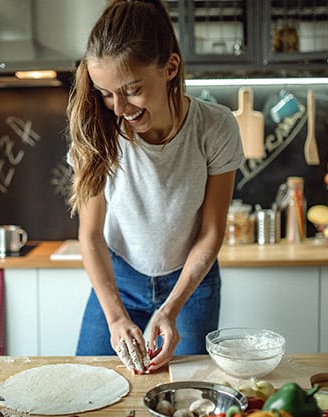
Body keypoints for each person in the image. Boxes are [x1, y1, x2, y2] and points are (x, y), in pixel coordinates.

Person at [66, 0, 244, 374]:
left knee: (188, 391)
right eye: (105, 92)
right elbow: (91, 235)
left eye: (132, 90)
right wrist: (116, 319)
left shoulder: (216, 127)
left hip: (192, 286)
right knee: (91, 382)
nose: (118, 108)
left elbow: (211, 231)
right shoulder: (99, 129)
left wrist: (171, 307)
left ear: (170, 67)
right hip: (119, 279)